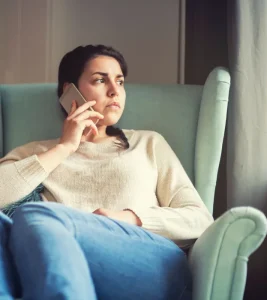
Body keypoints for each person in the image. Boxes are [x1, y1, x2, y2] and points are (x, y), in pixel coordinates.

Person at [0, 44, 214, 300]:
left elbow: (199, 219)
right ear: (69, 92)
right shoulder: (36, 153)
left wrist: (129, 218)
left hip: (147, 259)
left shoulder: (148, 143)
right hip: (60, 258)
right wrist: (65, 147)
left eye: (120, 81)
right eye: (101, 80)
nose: (115, 91)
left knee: (37, 215)